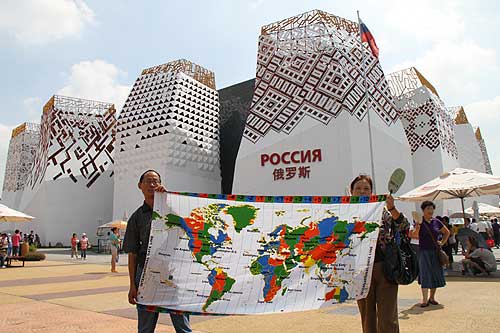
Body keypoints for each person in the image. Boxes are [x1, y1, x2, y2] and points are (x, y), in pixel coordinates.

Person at [123, 170, 191, 333]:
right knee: (145, 327)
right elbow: (132, 254)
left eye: (155, 181)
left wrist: (169, 203)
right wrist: (132, 284)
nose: (152, 185)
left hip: (173, 273)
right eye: (147, 181)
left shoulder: (173, 211)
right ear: (140, 185)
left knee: (183, 326)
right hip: (146, 275)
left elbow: (188, 229)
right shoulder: (136, 217)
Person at [351, 175, 409, 333]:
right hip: (360, 272)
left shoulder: (382, 210)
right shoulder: (345, 214)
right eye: (358, 188)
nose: (362, 192)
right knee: (367, 318)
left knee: (388, 317)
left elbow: (404, 226)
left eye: (366, 189)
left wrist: (392, 208)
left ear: (371, 192)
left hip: (385, 269)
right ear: (351, 192)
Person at [412, 201, 450, 307]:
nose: (430, 211)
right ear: (423, 210)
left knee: (435, 273)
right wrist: (418, 227)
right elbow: (414, 235)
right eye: (428, 208)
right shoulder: (419, 222)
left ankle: (432, 298)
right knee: (425, 274)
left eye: (432, 208)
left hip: (435, 251)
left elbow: (447, 232)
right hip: (424, 252)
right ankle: (424, 300)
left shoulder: (436, 221)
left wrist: (442, 242)